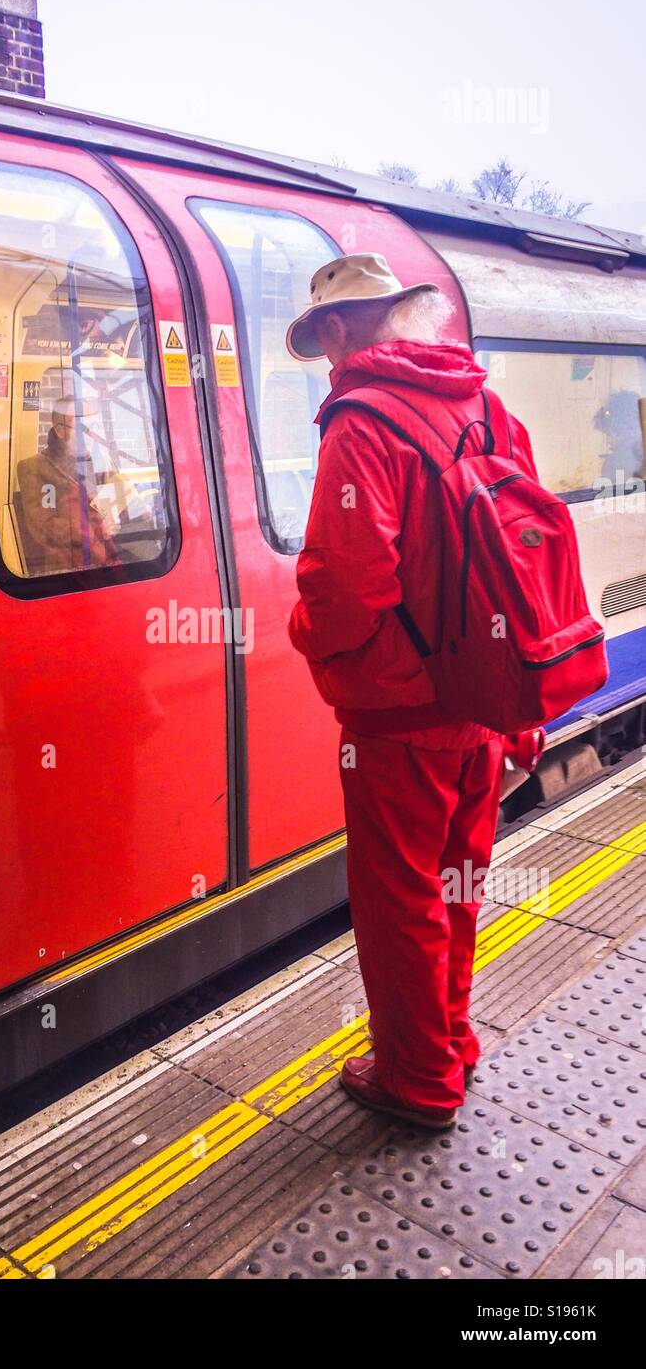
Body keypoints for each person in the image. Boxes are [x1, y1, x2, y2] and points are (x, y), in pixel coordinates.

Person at [286, 252, 543, 1129]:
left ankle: (417, 1078)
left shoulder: (361, 419)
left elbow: (342, 589)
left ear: (335, 330)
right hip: (491, 694)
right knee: (460, 883)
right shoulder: (487, 404)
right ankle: (453, 1041)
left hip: (401, 716)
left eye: (322, 340)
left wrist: (310, 648)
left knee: (401, 900)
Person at [17, 397, 119, 575]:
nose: (92, 435)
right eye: (83, 429)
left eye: (94, 427)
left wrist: (119, 516)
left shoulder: (102, 460)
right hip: (67, 570)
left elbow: (115, 502)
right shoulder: (35, 468)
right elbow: (44, 527)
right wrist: (94, 527)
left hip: (110, 562)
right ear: (60, 431)